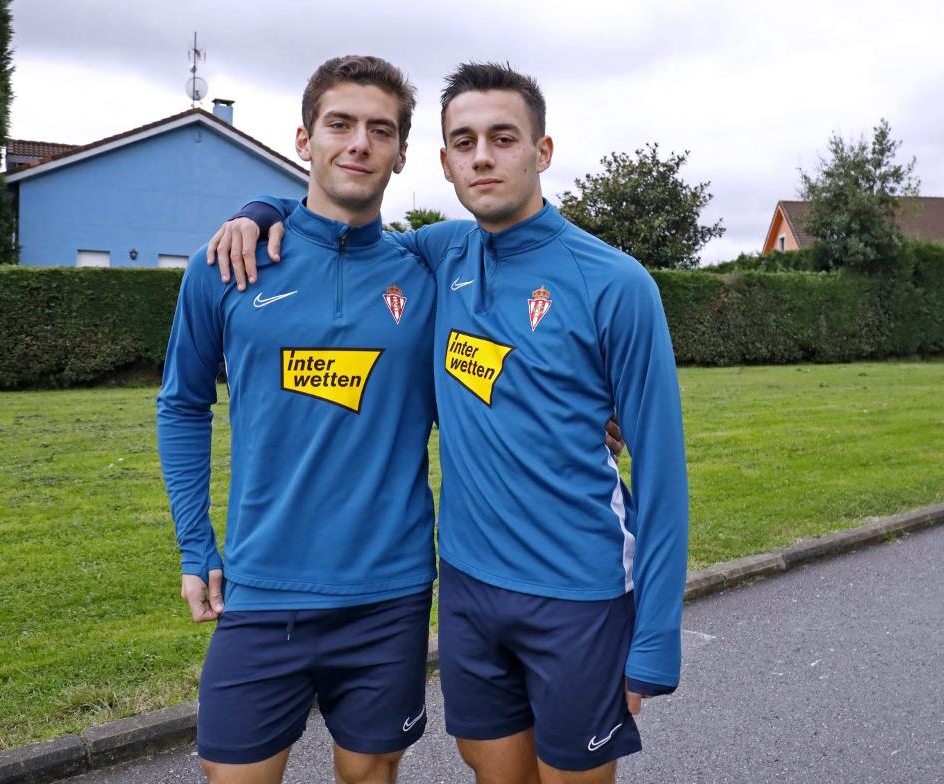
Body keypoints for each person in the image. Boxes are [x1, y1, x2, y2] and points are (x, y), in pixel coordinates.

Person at [211, 62, 689, 784]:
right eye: (463, 142)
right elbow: (337, 225)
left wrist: (655, 641)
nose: (483, 156)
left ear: (543, 151)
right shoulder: (438, 254)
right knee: (491, 771)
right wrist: (262, 209)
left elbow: (662, 477)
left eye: (503, 137)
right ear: (441, 161)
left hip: (578, 594)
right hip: (467, 587)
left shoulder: (616, 284)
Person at [157, 55, 439, 784]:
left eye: (381, 130)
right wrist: (196, 547)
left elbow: (503, 353)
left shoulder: (428, 274)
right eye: (339, 124)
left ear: (402, 152)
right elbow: (184, 404)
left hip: (390, 591)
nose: (359, 144)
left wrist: (581, 408)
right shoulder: (223, 266)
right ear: (303, 139)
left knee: (371, 774)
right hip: (260, 588)